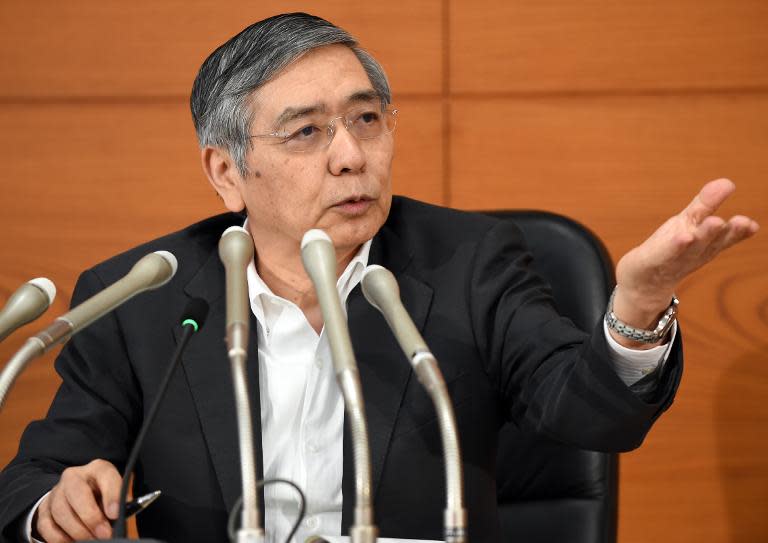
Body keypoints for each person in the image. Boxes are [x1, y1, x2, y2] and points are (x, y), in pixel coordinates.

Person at [0, 12, 758, 543]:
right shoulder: (145, 297)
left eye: (367, 119)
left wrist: (637, 306)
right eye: (306, 132)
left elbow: (590, 416)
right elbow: (30, 478)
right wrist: (56, 504)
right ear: (227, 172)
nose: (351, 156)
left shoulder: (469, 262)